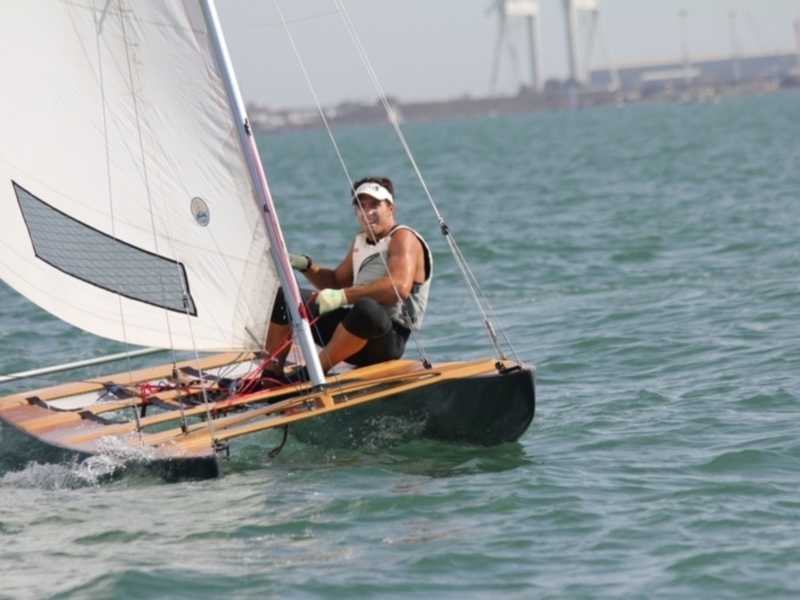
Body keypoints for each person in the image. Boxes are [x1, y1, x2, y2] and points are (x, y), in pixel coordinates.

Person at [263, 176, 432, 380]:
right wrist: (306, 266)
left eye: (374, 205)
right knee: (288, 297)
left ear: (390, 208)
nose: (367, 212)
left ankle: (309, 375)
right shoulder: (360, 240)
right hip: (351, 334)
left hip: (386, 340)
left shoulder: (403, 237)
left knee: (366, 308)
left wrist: (342, 297)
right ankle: (269, 376)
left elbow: (399, 288)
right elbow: (336, 281)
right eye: (361, 206)